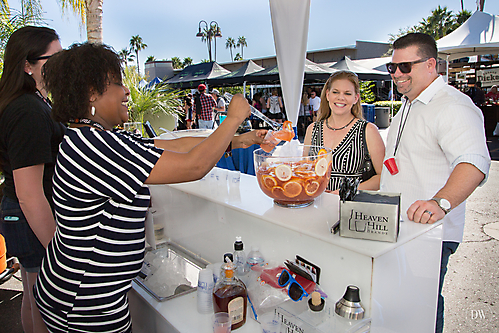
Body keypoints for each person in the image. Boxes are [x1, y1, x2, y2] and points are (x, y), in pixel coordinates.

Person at [32, 43, 263, 333]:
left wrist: (237, 140)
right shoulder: (95, 147)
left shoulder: (93, 138)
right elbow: (193, 166)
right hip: (86, 302)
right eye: (118, 84)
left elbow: (171, 146)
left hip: (78, 290)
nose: (126, 92)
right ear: (91, 92)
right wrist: (232, 118)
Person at [380, 33, 490, 333]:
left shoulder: (453, 105)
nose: (397, 74)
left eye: (405, 67)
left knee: (422, 309)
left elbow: (474, 162)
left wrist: (439, 203)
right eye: (392, 68)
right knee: (400, 305)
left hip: (430, 234)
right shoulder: (410, 103)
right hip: (401, 228)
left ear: (431, 64)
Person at [0, 26, 63, 333]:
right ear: (28, 65)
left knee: (32, 298)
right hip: (29, 218)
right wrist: (58, 248)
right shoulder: (28, 110)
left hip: (20, 215)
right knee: (44, 304)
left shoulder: (33, 103)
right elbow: (29, 194)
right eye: (56, 58)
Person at [304, 71, 385, 193]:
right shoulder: (312, 129)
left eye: (347, 93)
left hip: (351, 209)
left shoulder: (368, 130)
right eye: (335, 92)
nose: (340, 97)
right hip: (316, 206)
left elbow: (383, 177)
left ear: (355, 98)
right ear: (327, 95)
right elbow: (304, 170)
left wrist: (346, 191)